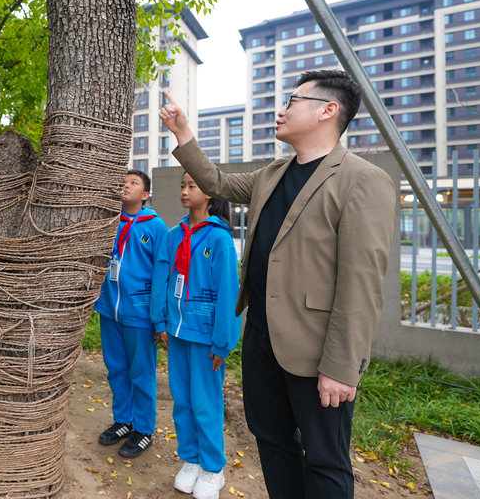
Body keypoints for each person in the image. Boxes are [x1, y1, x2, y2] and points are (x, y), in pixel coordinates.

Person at [158, 70, 397, 499]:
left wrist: (341, 367)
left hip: (316, 352)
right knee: (271, 440)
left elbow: (361, 284)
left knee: (325, 460)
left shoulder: (362, 179)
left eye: (293, 99)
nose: (281, 109)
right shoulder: (273, 173)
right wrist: (182, 132)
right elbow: (215, 183)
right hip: (262, 341)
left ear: (328, 110)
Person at [151, 173, 241, 499]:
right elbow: (162, 277)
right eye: (182, 185)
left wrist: (223, 340)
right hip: (177, 332)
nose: (185, 191)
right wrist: (159, 321)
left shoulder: (219, 239)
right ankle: (190, 460)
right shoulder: (174, 234)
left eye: (193, 185)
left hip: (205, 337)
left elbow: (229, 291)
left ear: (211, 192)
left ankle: (212, 468)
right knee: (182, 400)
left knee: (206, 403)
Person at [93, 169, 167, 458]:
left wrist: (159, 316)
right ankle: (123, 420)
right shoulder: (110, 222)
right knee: (116, 369)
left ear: (145, 194)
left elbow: (163, 271)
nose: (126, 186)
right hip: (110, 310)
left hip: (140, 314)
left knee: (142, 372)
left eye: (134, 183)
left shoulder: (155, 226)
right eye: (123, 182)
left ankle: (144, 428)